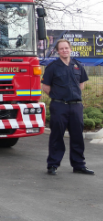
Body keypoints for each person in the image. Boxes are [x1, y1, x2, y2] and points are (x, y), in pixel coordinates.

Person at [42, 39, 94, 176]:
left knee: (77, 136)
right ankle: (53, 165)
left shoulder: (77, 65)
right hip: (59, 106)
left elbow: (81, 85)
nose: (64, 50)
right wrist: (59, 96)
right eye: (62, 48)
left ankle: (79, 165)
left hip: (76, 106)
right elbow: (46, 88)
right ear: (58, 51)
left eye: (66, 48)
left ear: (70, 49)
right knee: (56, 136)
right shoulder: (52, 67)